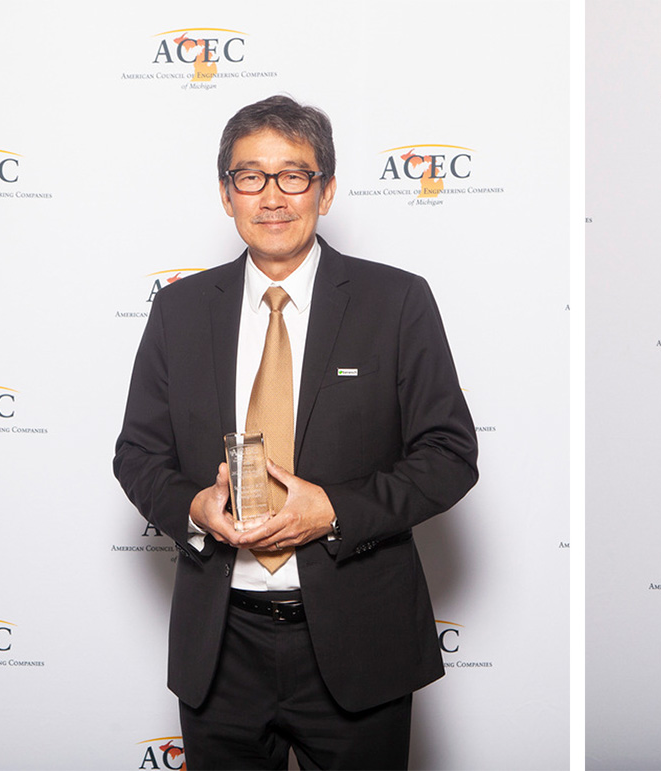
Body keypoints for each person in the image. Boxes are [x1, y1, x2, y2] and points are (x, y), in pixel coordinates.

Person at [114, 95, 478, 770]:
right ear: (227, 195)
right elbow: (136, 453)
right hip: (219, 647)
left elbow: (451, 455)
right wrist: (192, 509)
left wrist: (335, 509)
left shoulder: (397, 302)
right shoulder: (180, 310)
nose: (272, 196)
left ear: (328, 189)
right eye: (251, 176)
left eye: (294, 175)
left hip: (358, 639)